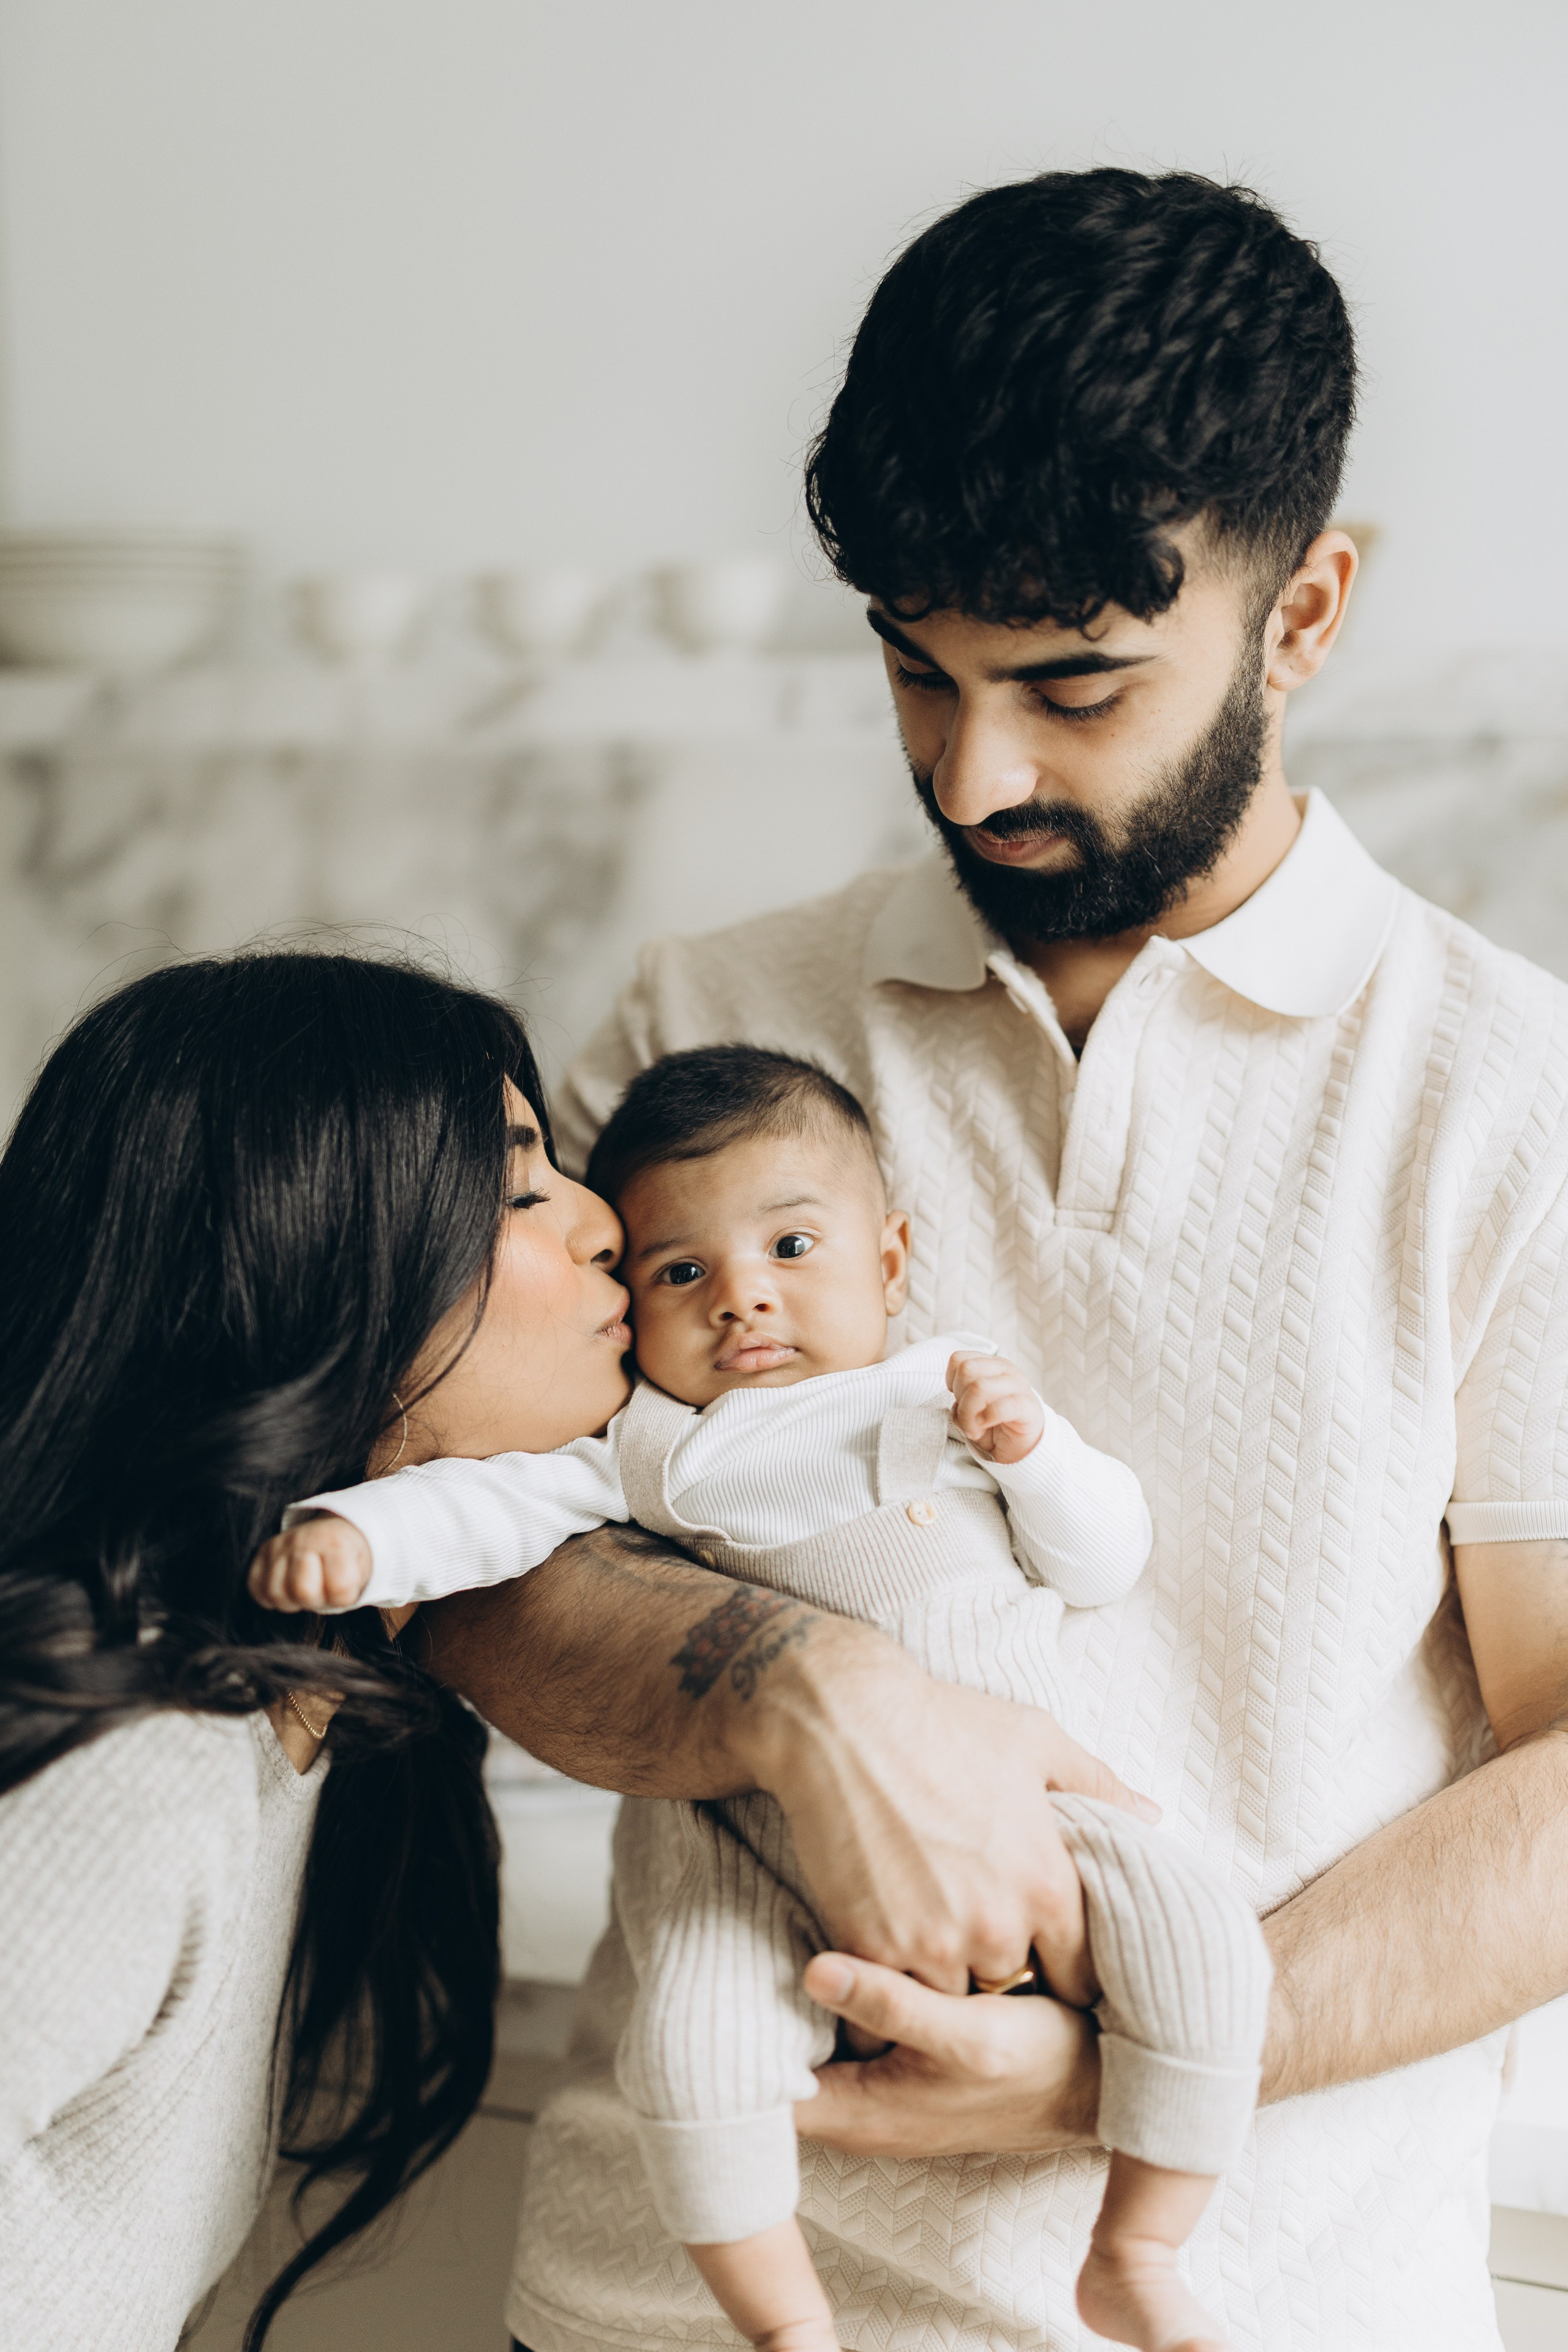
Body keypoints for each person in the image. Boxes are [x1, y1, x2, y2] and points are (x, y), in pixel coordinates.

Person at [420, 167, 1568, 2352]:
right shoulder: (699, 1033)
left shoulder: (1513, 1099)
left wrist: (1130, 2068)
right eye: (917, 675)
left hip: (1257, 2308)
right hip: (667, 2304)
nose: (980, 768)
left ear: (1306, 611)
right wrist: (799, 1686)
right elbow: (473, 1550)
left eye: (1076, 681)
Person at [255, 1042, 1268, 2352]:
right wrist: (363, 1538)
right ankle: (782, 2321)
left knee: (1200, 1937)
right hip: (730, 1830)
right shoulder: (645, 1442)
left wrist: (1041, 1455)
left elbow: (1101, 1559)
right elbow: (490, 1506)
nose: (742, 1302)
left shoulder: (944, 1390)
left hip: (1023, 1797)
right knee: (689, 2049)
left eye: (791, 1250)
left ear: (889, 1264)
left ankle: (1137, 2243)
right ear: (629, 1295)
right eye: (680, 1273)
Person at [0, 950, 633, 2352]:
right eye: (518, 1186)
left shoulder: (297, 1718)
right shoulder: (136, 1765)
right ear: (320, 1276)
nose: (603, 1227)